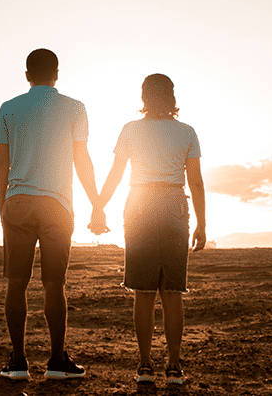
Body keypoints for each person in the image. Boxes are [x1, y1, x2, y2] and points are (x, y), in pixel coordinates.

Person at [93, 73, 206, 385]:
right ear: (171, 97)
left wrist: (99, 206)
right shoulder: (187, 132)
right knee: (172, 292)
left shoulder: (130, 129)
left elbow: (116, 174)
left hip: (140, 202)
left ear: (143, 98)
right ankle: (173, 367)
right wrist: (202, 223)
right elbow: (195, 182)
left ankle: (144, 366)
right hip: (173, 203)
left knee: (143, 293)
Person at [0, 48, 100, 380]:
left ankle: (17, 361)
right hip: (57, 205)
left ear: (27, 75)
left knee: (16, 284)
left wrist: (3, 205)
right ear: (57, 73)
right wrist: (96, 204)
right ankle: (57, 361)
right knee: (55, 285)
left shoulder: (8, 109)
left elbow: (2, 163)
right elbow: (82, 160)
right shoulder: (74, 108)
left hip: (18, 201)